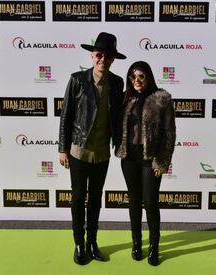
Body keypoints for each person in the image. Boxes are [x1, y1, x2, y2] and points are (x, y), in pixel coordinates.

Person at [58, 32, 126, 265]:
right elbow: (66, 117)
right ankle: (78, 243)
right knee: (78, 198)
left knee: (95, 199)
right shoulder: (77, 79)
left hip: (102, 153)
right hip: (78, 150)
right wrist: (62, 149)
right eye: (99, 54)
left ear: (113, 59)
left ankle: (92, 242)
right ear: (92, 56)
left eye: (107, 56)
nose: (102, 59)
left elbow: (118, 117)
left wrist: (120, 143)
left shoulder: (117, 83)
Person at [115, 61, 176, 266]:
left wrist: (162, 161)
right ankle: (136, 243)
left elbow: (169, 134)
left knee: (150, 202)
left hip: (150, 160)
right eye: (133, 77)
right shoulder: (125, 98)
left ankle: (154, 247)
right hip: (129, 157)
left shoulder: (161, 99)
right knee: (133, 202)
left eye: (141, 76)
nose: (137, 81)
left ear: (148, 76)